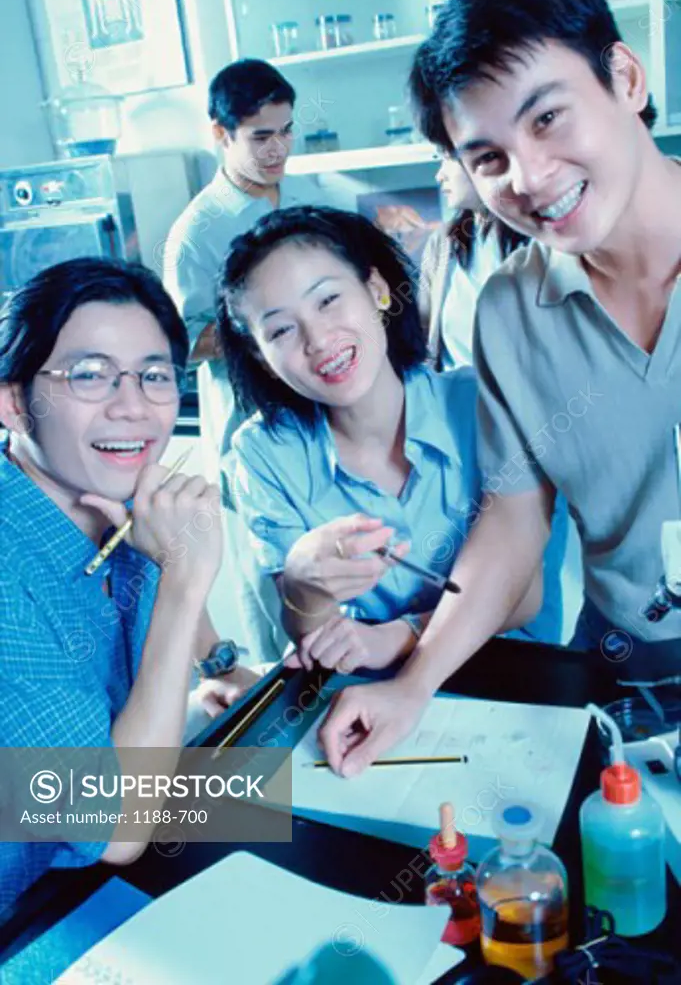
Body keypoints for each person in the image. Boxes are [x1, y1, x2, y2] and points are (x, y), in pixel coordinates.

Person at [316, 0, 681, 777]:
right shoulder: (511, 311)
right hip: (627, 680)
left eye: (547, 117)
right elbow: (515, 519)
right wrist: (412, 685)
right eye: (486, 158)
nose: (528, 179)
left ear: (622, 77)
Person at [0, 257, 259, 913]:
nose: (133, 407)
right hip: (29, 918)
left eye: (154, 376)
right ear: (13, 402)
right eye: (88, 375)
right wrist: (185, 580)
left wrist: (221, 661)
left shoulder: (109, 499)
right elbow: (113, 827)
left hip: (86, 873)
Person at [217, 206, 542, 676]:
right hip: (369, 700)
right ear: (262, 357)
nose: (318, 340)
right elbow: (317, 638)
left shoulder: (485, 404)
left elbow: (525, 594)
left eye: (327, 300)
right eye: (282, 330)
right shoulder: (262, 455)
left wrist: (402, 635)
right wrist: (305, 586)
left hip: (518, 677)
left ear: (377, 291)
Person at [164, 59, 323, 662]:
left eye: (286, 130)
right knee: (276, 611)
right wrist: (263, 323)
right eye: (261, 136)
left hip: (325, 425)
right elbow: (183, 342)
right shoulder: (197, 231)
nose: (278, 147)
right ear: (220, 134)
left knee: (337, 601)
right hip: (253, 441)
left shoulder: (309, 197)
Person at [420, 154, 570, 644]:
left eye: (446, 160)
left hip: (535, 433)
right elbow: (429, 343)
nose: (439, 174)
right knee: (469, 569)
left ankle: (539, 678)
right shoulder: (444, 246)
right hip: (462, 433)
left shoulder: (542, 238)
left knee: (534, 572)